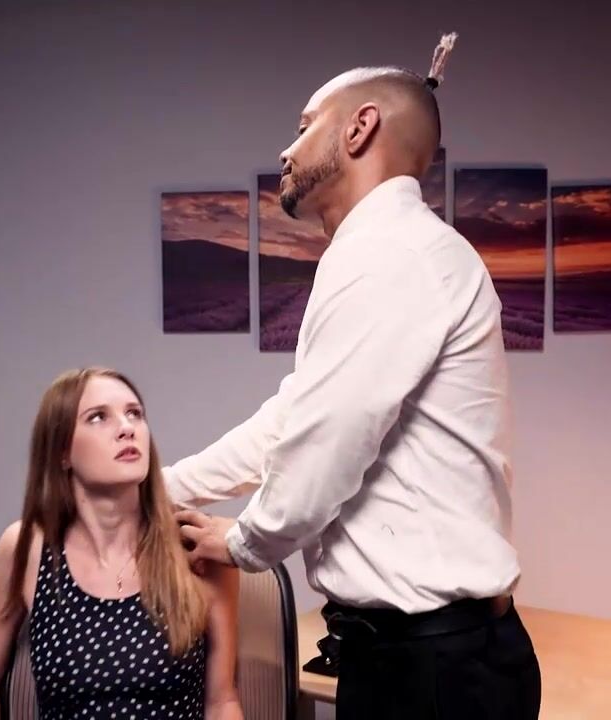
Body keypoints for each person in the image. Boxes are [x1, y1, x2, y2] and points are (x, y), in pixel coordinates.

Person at [166, 34, 543, 719]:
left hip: (433, 672)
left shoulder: (391, 252)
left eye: (304, 126)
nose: (286, 150)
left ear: (360, 127)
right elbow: (294, 420)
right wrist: (162, 489)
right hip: (420, 659)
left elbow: (330, 439)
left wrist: (245, 542)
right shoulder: (383, 251)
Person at [0, 367, 243, 720]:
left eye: (134, 414)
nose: (127, 428)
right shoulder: (27, 548)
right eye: (98, 417)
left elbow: (222, 702)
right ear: (62, 451)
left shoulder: (196, 547)